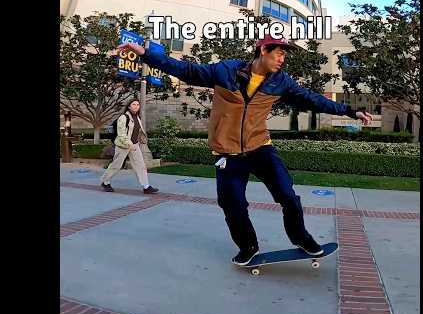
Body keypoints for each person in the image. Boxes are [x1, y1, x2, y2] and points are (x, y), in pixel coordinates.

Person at [117, 35, 372, 265]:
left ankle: (301, 238)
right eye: (279, 53)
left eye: (285, 54)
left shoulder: (281, 82)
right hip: (227, 153)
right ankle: (248, 247)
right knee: (232, 204)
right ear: (263, 50)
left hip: (260, 147)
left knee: (287, 195)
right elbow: (186, 70)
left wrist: (350, 111)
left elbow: (313, 100)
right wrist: (145, 53)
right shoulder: (226, 70)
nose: (283, 59)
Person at [100, 98, 159, 194]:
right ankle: (105, 181)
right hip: (123, 146)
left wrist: (141, 140)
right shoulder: (123, 117)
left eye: (137, 105)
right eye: (134, 104)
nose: (136, 106)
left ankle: (146, 186)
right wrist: (129, 144)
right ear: (129, 106)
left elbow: (137, 131)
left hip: (134, 145)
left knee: (140, 166)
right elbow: (121, 134)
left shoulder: (137, 117)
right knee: (116, 165)